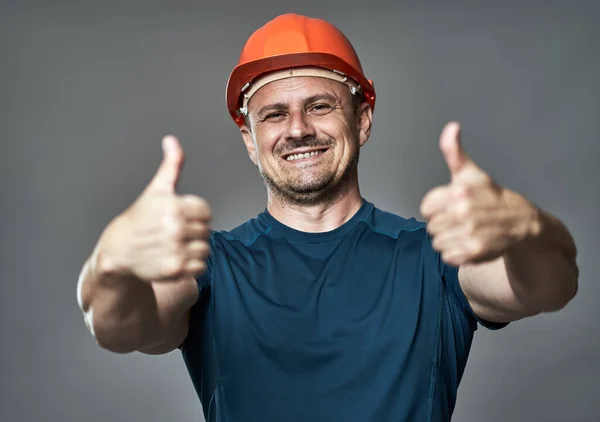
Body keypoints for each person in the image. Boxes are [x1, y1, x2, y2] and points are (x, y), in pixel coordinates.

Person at [76, 13, 579, 422]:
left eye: (319, 106)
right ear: (251, 140)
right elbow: (120, 326)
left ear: (362, 121)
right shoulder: (210, 265)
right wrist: (111, 265)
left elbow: (548, 286)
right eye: (274, 114)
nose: (297, 130)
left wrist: (529, 229)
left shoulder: (436, 255)